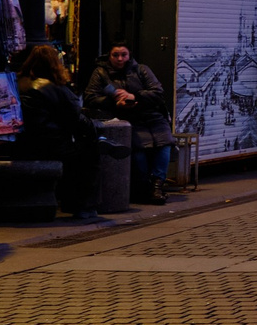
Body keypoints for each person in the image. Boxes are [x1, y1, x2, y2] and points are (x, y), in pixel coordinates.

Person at [16, 44, 98, 219]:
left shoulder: (19, 83)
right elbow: (74, 116)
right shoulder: (54, 88)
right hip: (50, 144)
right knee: (87, 155)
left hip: (22, 143)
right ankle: (82, 206)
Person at [85, 42, 172, 205]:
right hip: (128, 120)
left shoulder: (141, 70)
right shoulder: (101, 73)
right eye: (115, 55)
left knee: (164, 144)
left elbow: (157, 92)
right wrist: (114, 101)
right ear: (109, 56)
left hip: (152, 116)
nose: (120, 59)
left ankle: (157, 186)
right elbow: (90, 97)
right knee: (139, 151)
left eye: (123, 55)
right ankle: (145, 187)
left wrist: (134, 96)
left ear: (129, 55)